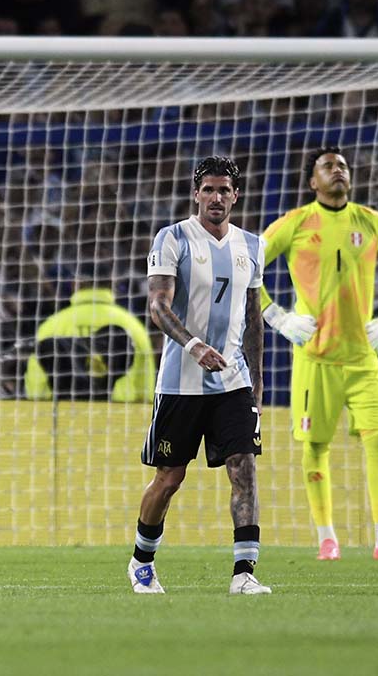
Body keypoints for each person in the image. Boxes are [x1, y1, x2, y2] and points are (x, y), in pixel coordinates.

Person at [260, 146, 378, 561]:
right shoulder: (295, 224)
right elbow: (247, 262)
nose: (339, 171)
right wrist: (277, 317)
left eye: (343, 166)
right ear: (312, 181)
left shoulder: (370, 222)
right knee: (316, 447)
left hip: (363, 358)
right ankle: (326, 538)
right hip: (315, 359)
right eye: (328, 166)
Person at [128, 156, 270, 596]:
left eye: (224, 190)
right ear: (196, 194)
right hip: (180, 381)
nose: (216, 197)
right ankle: (141, 562)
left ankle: (244, 573)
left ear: (236, 195)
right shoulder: (172, 238)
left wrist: (258, 386)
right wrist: (193, 345)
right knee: (170, 478)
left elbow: (252, 318)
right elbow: (157, 305)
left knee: (243, 468)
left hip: (233, 381)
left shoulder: (252, 245)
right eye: (208, 189)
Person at [24, 278, 156, 403]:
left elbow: (37, 381)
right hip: (120, 415)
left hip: (63, 412)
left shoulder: (52, 325)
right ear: (111, 284)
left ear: (74, 285)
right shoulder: (132, 324)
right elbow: (145, 379)